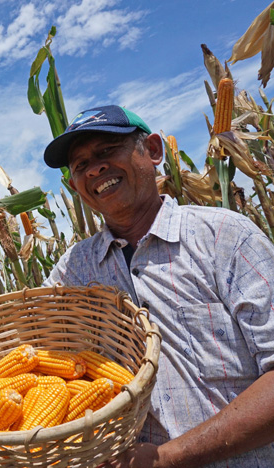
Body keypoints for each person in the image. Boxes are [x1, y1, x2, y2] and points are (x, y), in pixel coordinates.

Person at [41, 105, 274, 468]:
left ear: (152, 150)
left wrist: (167, 458)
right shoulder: (72, 272)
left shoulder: (225, 238)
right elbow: (35, 366)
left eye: (106, 151)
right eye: (80, 165)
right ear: (75, 186)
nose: (95, 168)